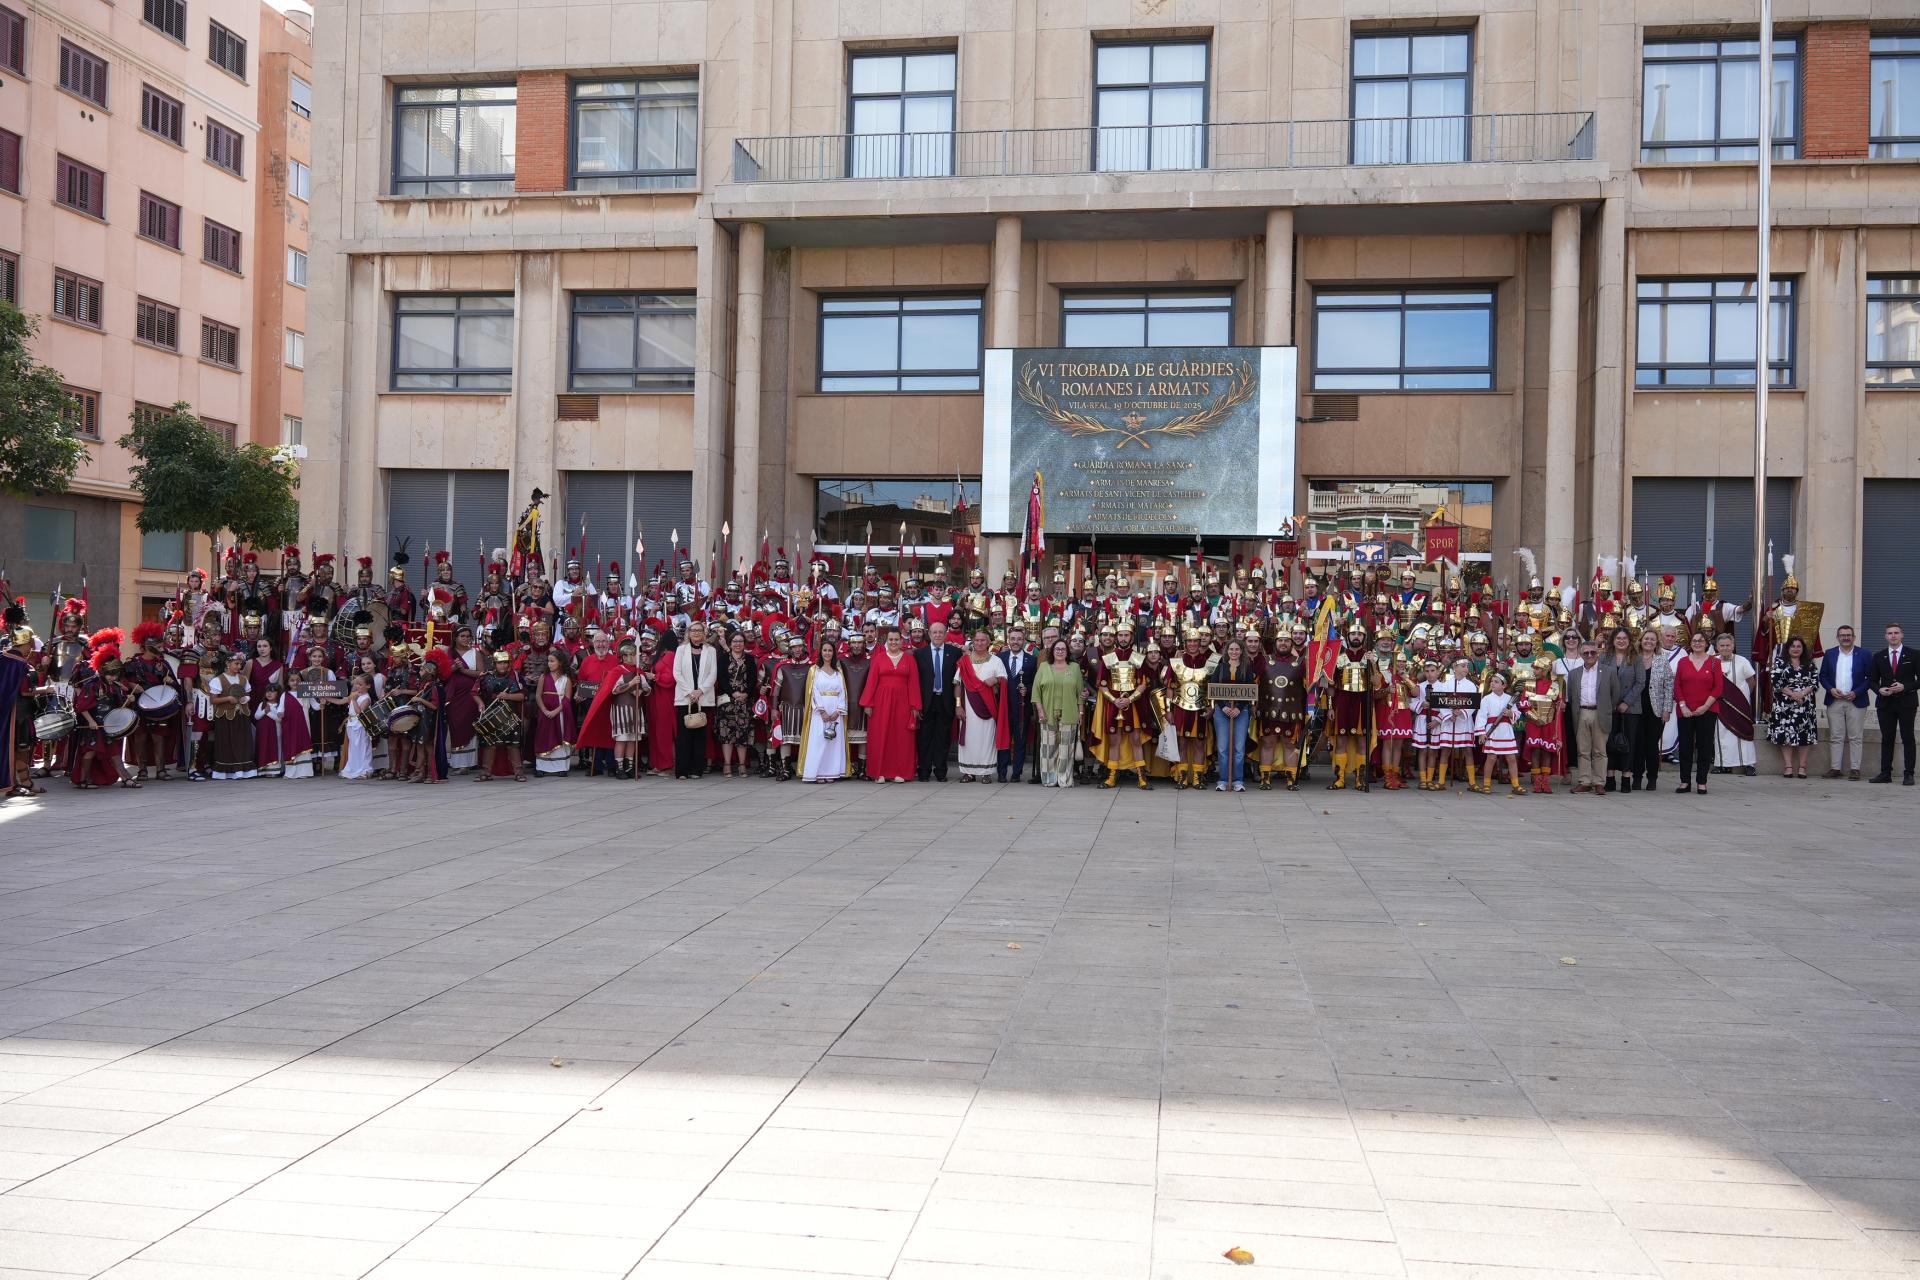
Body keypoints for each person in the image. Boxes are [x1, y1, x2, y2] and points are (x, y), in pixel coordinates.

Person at [859, 627, 920, 784]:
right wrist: (867, 703)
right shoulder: (878, 659)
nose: (893, 642)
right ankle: (879, 772)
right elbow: (871, 682)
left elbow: (913, 684)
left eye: (896, 639)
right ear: (886, 641)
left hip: (903, 703)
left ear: (901, 641)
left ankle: (901, 772)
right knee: (880, 736)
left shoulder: (909, 660)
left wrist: (915, 706)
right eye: (891, 640)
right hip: (881, 702)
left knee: (902, 737)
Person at [1673, 628, 1723, 794]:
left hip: (1707, 710)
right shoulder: (1683, 662)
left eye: (1701, 641)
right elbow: (1677, 685)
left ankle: (1702, 782)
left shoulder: (1715, 662)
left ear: (1706, 643)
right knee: (1685, 747)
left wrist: (1705, 707)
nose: (1697, 643)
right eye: (1694, 641)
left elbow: (1718, 687)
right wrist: (1683, 706)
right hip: (1685, 711)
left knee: (1704, 746)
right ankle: (1685, 781)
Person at [1569, 639, 1621, 795]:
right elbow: (1572, 696)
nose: (1590, 655)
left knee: (1600, 750)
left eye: (1593, 652)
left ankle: (1599, 782)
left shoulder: (1609, 671)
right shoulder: (1574, 674)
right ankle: (1584, 781)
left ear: (1598, 653)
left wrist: (1606, 708)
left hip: (1600, 713)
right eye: (1586, 653)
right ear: (1581, 655)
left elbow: (1615, 694)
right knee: (1583, 750)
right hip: (1581, 713)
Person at [1870, 622, 1918, 785]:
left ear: (1902, 635)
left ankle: (1909, 774)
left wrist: (1905, 686)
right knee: (1887, 738)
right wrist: (1879, 690)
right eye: (1890, 633)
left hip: (1907, 703)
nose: (1893, 636)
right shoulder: (1878, 656)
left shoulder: (1914, 654)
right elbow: (1872, 680)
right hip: (1886, 704)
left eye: (1896, 633)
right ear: (1885, 636)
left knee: (1908, 737)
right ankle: (1885, 773)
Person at [1819, 624, 1870, 779]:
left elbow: (1871, 678)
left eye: (1848, 635)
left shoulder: (1864, 654)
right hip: (1835, 700)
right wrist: (1831, 689)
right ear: (1837, 637)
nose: (1845, 638)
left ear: (1853, 637)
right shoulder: (1830, 654)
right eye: (1842, 635)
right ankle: (1835, 768)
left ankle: (1855, 769)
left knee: (1856, 737)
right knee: (1836, 736)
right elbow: (1823, 676)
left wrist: (1856, 692)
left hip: (1856, 701)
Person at [913, 621, 962, 782]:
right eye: (934, 632)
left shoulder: (955, 652)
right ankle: (924, 770)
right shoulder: (920, 654)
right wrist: (917, 704)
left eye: (941, 632)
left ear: (946, 634)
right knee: (924, 737)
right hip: (926, 701)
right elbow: (916, 681)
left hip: (946, 701)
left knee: (943, 738)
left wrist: (958, 704)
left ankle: (941, 771)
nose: (938, 635)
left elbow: (959, 680)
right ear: (929, 634)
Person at [1032, 638, 1083, 788]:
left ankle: (1064, 780)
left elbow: (1080, 693)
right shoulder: (1044, 667)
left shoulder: (1074, 668)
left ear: (1067, 652)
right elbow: (1036, 692)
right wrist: (1040, 711)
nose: (1060, 651)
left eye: (1063, 649)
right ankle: (1049, 779)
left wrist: (1081, 713)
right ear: (1052, 651)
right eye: (1057, 649)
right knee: (1048, 749)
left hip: (1070, 713)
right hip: (1047, 714)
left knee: (1066, 750)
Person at [1206, 639, 1255, 792]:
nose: (1234, 652)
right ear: (1227, 651)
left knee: (1239, 748)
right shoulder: (1220, 668)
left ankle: (1238, 780)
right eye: (1231, 649)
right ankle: (1223, 779)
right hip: (1222, 711)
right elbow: (1213, 689)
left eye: (1237, 649)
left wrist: (1239, 708)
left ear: (1241, 651)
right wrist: (1223, 707)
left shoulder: (1247, 668)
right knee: (1223, 747)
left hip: (1241, 711)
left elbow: (1250, 690)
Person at [671, 619, 718, 779]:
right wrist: (690, 692)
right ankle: (682, 771)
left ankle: (697, 769)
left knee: (700, 736)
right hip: (685, 698)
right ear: (688, 633)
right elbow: (677, 673)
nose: (696, 633)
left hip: (703, 698)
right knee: (684, 736)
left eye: (699, 630)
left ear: (704, 633)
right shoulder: (681, 650)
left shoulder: (711, 650)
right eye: (693, 630)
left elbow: (713, 674)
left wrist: (700, 691)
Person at [1767, 635, 1820, 779]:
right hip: (1784, 705)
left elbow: (1814, 682)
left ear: (1803, 649)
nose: (1796, 649)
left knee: (1805, 735)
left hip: (1805, 705)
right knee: (1786, 735)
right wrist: (1793, 695)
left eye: (1799, 646)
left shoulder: (1809, 663)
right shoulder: (1779, 662)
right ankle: (1788, 766)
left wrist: (1801, 694)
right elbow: (1776, 682)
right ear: (1787, 648)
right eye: (1793, 646)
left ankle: (1802, 767)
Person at [797, 637, 848, 783]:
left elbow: (842, 692)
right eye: (824, 650)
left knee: (833, 742)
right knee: (819, 741)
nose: (827, 653)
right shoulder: (815, 670)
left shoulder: (838, 672)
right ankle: (817, 772)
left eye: (830, 650)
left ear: (833, 653)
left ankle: (831, 772)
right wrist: (822, 711)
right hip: (820, 711)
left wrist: (838, 710)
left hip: (835, 710)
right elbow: (813, 691)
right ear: (820, 652)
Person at [1603, 626, 1645, 793]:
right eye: (1618, 638)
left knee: (1628, 743)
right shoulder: (1605, 657)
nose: (1621, 641)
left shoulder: (1636, 658)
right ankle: (1610, 778)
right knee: (1610, 743)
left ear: (1629, 641)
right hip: (1609, 707)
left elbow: (1640, 682)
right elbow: (1600, 680)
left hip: (1631, 708)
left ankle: (1626, 778)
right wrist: (1610, 702)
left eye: (1624, 638)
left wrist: (1626, 702)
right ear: (1613, 640)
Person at [1711, 631, 1758, 776]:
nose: (1725, 648)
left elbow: (1751, 681)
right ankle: (1722, 764)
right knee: (1721, 734)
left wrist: (1740, 698)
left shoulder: (1742, 661)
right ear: (1717, 647)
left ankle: (1749, 765)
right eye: (1722, 645)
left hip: (1740, 706)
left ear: (1733, 646)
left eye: (1728, 645)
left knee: (1744, 732)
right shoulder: (1712, 662)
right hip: (1721, 705)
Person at [1633, 627, 1673, 793]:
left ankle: (1652, 778)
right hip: (1635, 708)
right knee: (1637, 745)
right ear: (1641, 640)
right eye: (1646, 638)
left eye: (1652, 639)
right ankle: (1636, 777)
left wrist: (1667, 709)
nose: (1648, 642)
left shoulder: (1662, 660)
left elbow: (1669, 685)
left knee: (1651, 745)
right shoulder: (1633, 658)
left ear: (1657, 643)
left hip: (1655, 709)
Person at [713, 630, 757, 778]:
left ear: (744, 643)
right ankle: (727, 764)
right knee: (726, 733)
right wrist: (733, 693)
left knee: (742, 733)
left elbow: (753, 679)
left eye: (740, 641)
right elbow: (722, 678)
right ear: (730, 643)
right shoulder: (723, 658)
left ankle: (742, 765)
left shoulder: (749, 659)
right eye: (735, 641)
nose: (738, 644)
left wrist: (746, 694)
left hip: (744, 701)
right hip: (727, 701)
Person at [476, 650, 526, 781]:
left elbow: (521, 696)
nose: (502, 666)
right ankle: (486, 772)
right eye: (499, 663)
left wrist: (507, 696)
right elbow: (474, 692)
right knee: (490, 744)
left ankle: (518, 772)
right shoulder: (486, 677)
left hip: (509, 714)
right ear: (494, 664)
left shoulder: (513, 677)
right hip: (491, 714)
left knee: (513, 744)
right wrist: (480, 703)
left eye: (505, 663)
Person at [207, 651, 257, 780]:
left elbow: (247, 694)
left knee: (242, 742)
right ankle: (226, 771)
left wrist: (245, 698)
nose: (239, 667)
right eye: (236, 663)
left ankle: (242, 770)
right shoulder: (218, 680)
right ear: (227, 663)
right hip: (225, 717)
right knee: (227, 743)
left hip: (242, 716)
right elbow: (213, 700)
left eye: (240, 664)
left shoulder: (243, 679)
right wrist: (228, 698)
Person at [1472, 670, 1524, 794]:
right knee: (1491, 758)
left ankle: (1516, 785)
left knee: (1511, 758)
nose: (1492, 684)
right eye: (1492, 681)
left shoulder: (1510, 699)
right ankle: (1486, 784)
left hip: (1506, 731)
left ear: (1504, 685)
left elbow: (1517, 713)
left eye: (1496, 682)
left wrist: (1510, 713)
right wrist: (1481, 733)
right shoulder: (1486, 699)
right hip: (1493, 732)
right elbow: (1481, 717)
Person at [998, 627, 1036, 784]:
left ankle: (1016, 773)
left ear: (1024, 641)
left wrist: (1027, 689)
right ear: (1008, 640)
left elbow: (1035, 683)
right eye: (1013, 639)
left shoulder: (1031, 660)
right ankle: (1001, 772)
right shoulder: (999, 658)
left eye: (1019, 639)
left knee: (1020, 740)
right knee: (1003, 739)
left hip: (1022, 707)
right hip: (1003, 707)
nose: (1015, 642)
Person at [531, 650, 576, 777]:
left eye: (552, 661)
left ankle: (561, 767)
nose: (549, 664)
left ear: (560, 663)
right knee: (544, 736)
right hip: (545, 713)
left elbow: (567, 699)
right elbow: (538, 696)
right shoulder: (543, 677)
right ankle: (541, 767)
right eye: (548, 661)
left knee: (559, 736)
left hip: (560, 714)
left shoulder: (566, 679)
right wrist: (545, 710)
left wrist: (556, 711)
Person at [339, 673, 377, 779]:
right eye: (356, 684)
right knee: (353, 748)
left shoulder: (366, 698)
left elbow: (359, 713)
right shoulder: (355, 694)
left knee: (362, 747)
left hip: (360, 725)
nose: (357, 686)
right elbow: (341, 701)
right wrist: (327, 698)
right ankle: (353, 768)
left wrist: (354, 700)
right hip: (351, 723)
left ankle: (365, 770)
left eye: (360, 684)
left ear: (368, 686)